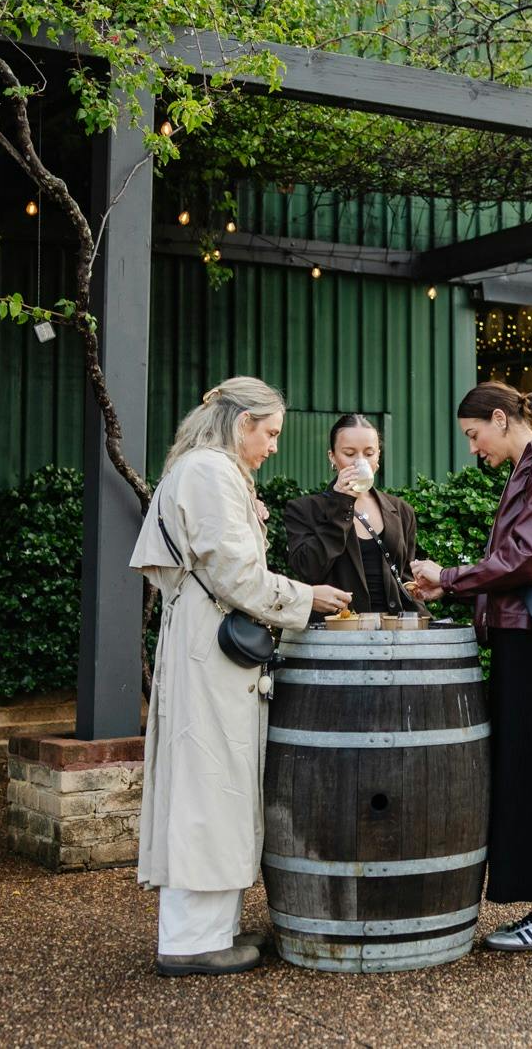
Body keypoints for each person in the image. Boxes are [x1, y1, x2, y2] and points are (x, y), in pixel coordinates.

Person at [129, 376, 353, 976]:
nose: (274, 445)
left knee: (220, 779)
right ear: (240, 424)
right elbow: (236, 576)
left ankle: (215, 924)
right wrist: (308, 597)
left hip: (210, 646)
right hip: (210, 652)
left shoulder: (210, 471)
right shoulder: (208, 472)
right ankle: (190, 940)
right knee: (208, 781)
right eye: (271, 432)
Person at [409, 381, 532, 952]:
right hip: (524, 635)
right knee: (531, 765)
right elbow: (513, 563)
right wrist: (453, 590)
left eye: (473, 434)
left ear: (499, 418)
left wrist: (449, 577)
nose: (473, 447)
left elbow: (524, 558)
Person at [283, 413, 420, 616]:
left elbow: (406, 579)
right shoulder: (303, 510)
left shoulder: (400, 510)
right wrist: (341, 505)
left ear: (378, 456)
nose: (360, 462)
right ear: (332, 456)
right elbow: (309, 569)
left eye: (369, 453)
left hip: (392, 634)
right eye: (349, 453)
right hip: (338, 633)